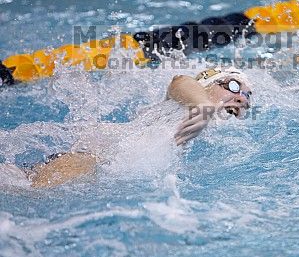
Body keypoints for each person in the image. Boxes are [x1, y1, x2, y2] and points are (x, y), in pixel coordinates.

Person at [0, 67, 253, 188]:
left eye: (247, 96)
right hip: (89, 159)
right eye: (232, 86)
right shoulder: (188, 105)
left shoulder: (217, 136)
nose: (241, 96)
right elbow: (180, 82)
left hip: (98, 169)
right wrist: (203, 105)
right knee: (29, 194)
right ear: (208, 84)